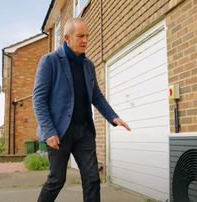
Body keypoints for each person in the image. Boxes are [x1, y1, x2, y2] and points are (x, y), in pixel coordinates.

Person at [33, 18, 130, 202]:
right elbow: (39, 99)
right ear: (67, 38)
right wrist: (49, 131)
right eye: (80, 36)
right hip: (59, 132)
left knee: (93, 178)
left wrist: (113, 117)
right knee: (56, 180)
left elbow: (96, 96)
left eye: (87, 36)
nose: (85, 40)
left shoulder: (88, 65)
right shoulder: (50, 61)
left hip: (84, 130)